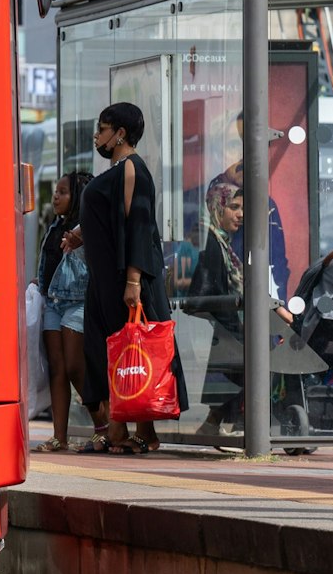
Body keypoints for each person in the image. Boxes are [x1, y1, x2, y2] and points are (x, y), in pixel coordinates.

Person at [66, 102, 178, 455]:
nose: (97, 136)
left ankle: (122, 430)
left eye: (102, 129)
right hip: (104, 278)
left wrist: (133, 282)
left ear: (120, 133)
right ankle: (137, 431)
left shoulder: (133, 169)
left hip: (126, 280)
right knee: (115, 351)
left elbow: (138, 226)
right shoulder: (118, 170)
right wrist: (79, 233)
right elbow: (110, 216)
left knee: (128, 350)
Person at [186, 176, 296, 436]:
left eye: (242, 208)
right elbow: (207, 293)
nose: (240, 214)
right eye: (233, 207)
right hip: (214, 328)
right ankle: (243, 423)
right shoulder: (209, 243)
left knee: (259, 350)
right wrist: (240, 323)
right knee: (261, 357)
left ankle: (217, 423)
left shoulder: (221, 242)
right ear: (217, 206)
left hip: (222, 326)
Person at [35, 172, 105, 453]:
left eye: (63, 192)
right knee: (57, 368)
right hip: (52, 301)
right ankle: (59, 436)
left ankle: (102, 425)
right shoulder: (55, 225)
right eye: (56, 191)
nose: (55, 196)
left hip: (78, 300)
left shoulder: (86, 228)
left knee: (76, 365)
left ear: (77, 197)